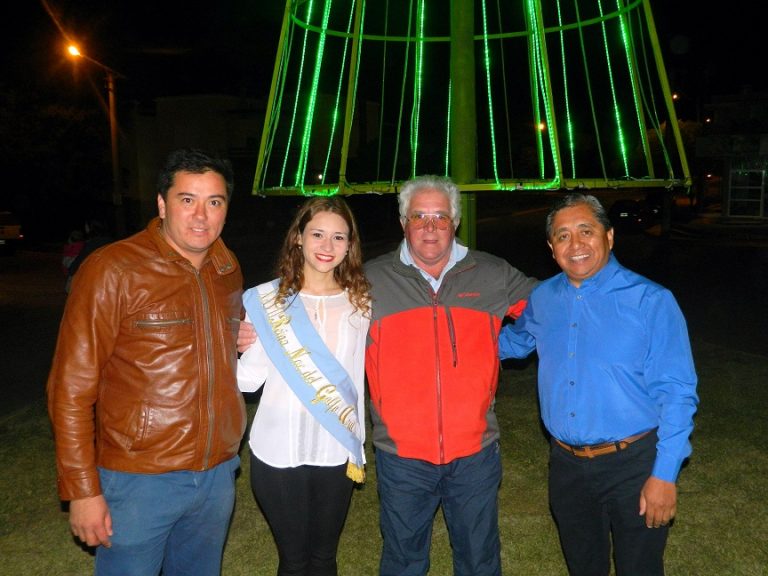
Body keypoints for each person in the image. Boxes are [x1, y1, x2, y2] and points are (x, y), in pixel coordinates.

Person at [47, 148, 246, 576]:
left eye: (214, 202)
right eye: (186, 199)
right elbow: (70, 388)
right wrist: (83, 490)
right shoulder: (113, 268)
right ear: (161, 203)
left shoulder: (226, 269)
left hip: (216, 473)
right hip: (139, 479)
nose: (200, 215)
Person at [498, 192, 699, 576]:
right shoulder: (543, 298)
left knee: (638, 567)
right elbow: (512, 343)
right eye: (563, 236)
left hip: (635, 464)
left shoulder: (651, 301)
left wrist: (664, 474)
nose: (575, 245)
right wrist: (449, 341)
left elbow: (677, 391)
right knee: (582, 565)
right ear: (551, 247)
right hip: (566, 467)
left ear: (609, 236)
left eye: (585, 231)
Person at [364, 175, 537, 575]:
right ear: (403, 221)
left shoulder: (491, 273)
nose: (429, 227)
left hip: (474, 451)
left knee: (479, 558)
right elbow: (318, 316)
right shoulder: (369, 280)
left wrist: (507, 347)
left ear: (455, 222)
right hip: (401, 455)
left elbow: (551, 309)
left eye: (440, 217)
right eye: (419, 216)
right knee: (403, 560)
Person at [238, 196, 371, 575]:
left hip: (335, 450)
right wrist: (223, 344)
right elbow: (249, 379)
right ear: (298, 237)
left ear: (350, 246)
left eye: (339, 238)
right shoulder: (267, 301)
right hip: (277, 452)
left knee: (325, 558)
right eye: (317, 234)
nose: (327, 247)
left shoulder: (361, 304)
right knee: (294, 560)